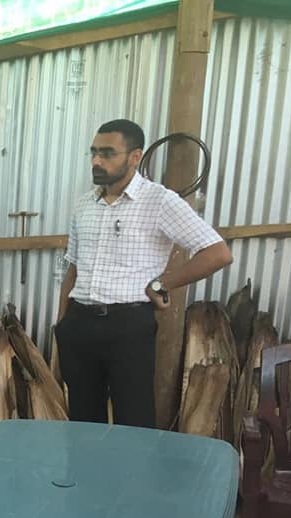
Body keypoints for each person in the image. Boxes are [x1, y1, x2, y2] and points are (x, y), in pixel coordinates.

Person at [55, 119, 233, 428]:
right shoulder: (85, 204)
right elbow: (73, 264)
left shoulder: (160, 201)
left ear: (135, 157)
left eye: (108, 153)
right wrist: (61, 323)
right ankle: (84, 476)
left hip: (128, 327)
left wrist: (162, 283)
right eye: (94, 152)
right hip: (79, 324)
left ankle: (132, 478)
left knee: (133, 420)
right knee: (82, 420)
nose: (97, 161)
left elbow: (217, 253)